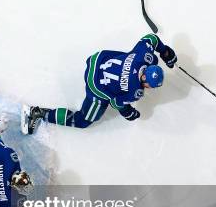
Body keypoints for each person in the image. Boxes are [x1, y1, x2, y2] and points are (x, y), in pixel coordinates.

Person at [22, 34, 177, 133]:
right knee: (83, 121)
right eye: (152, 85)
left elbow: (151, 38)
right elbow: (116, 102)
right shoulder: (135, 91)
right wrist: (129, 112)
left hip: (97, 60)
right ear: (145, 79)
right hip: (95, 85)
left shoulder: (144, 56)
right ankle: (39, 113)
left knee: (152, 58)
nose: (151, 89)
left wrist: (164, 51)